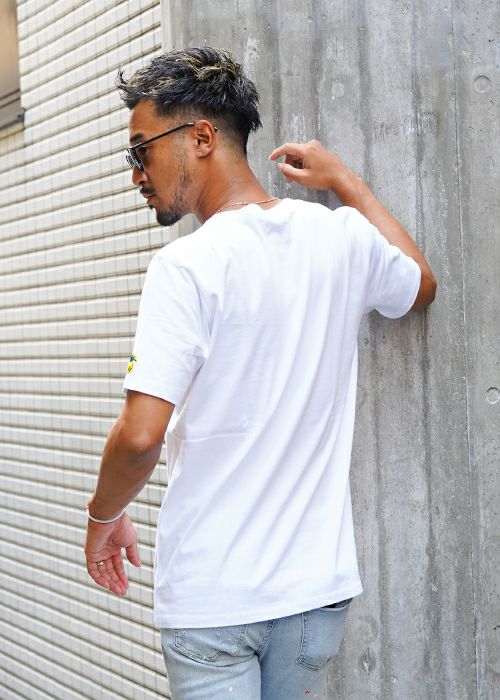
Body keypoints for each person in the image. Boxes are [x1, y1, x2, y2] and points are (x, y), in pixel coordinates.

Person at [84, 47, 436, 699]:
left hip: (215, 600)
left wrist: (104, 516)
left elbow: (139, 436)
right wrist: (347, 184)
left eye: (140, 151)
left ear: (201, 138)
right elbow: (419, 285)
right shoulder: (340, 237)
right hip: (314, 595)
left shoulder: (186, 267)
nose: (136, 174)